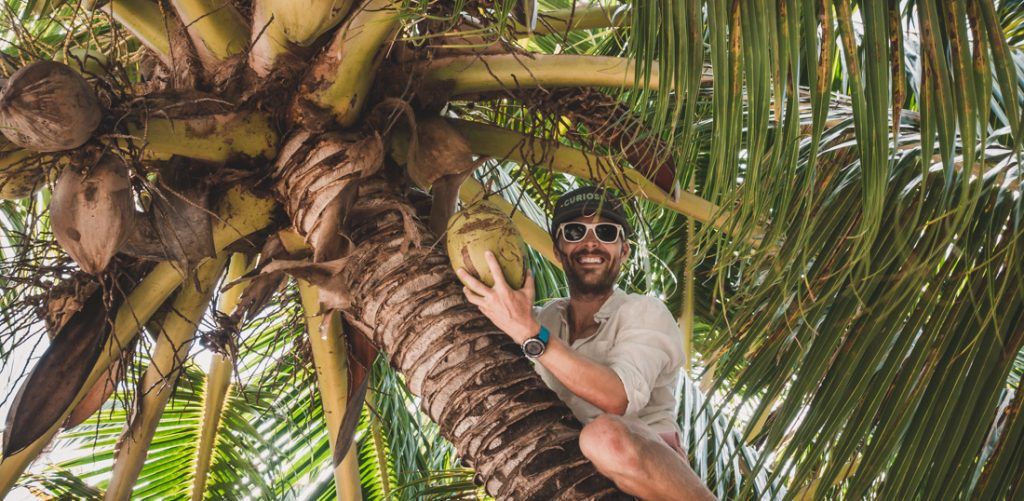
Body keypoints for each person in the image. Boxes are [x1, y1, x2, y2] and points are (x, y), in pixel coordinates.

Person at [457, 186, 716, 501]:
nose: (591, 242)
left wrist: (529, 332)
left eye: (606, 232)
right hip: (570, 481)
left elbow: (616, 397)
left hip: (648, 482)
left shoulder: (643, 312)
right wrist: (445, 185)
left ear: (624, 251)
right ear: (558, 250)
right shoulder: (544, 319)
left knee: (603, 437)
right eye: (576, 231)